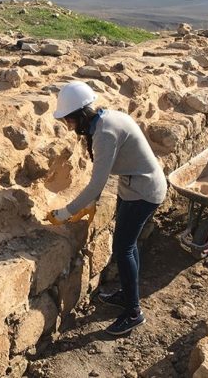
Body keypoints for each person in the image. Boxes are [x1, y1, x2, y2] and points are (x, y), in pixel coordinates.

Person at [47, 81, 167, 336]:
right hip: (134, 187)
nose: (69, 125)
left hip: (144, 192)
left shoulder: (104, 133)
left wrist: (67, 212)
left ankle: (133, 313)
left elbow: (96, 183)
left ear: (80, 114)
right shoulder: (103, 120)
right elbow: (100, 176)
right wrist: (90, 205)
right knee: (128, 246)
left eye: (69, 119)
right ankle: (128, 295)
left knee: (124, 249)